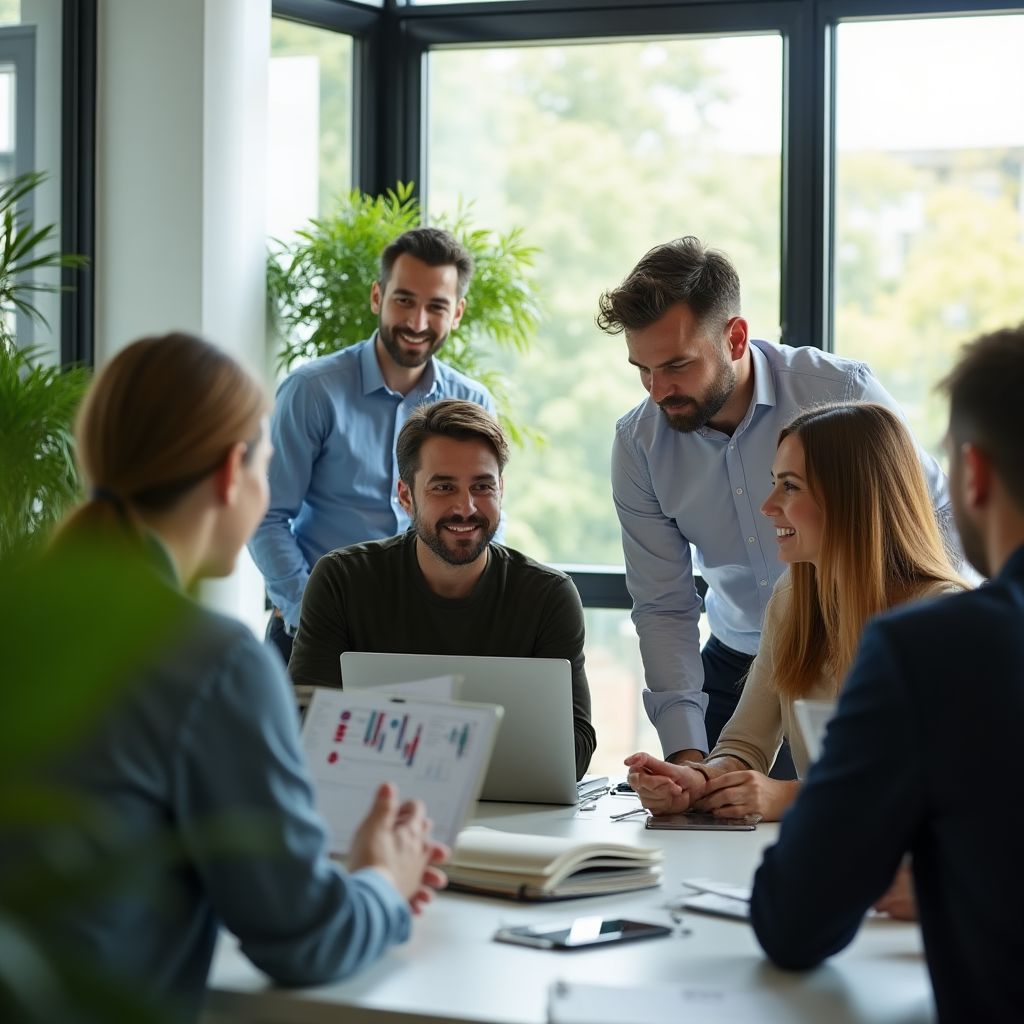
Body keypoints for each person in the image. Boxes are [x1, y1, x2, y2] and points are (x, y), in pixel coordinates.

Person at [32, 332, 449, 1020]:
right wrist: (385, 877)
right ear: (233, 473)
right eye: (266, 466)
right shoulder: (209, 659)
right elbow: (305, 936)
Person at [597, 236, 955, 775]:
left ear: (735, 337)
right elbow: (663, 604)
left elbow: (932, 513)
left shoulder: (840, 391)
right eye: (642, 370)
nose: (657, 391)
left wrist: (930, 627)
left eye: (676, 365)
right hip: (738, 658)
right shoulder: (639, 444)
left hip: (862, 645)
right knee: (715, 804)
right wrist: (688, 760)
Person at [749, 326, 1024, 1022]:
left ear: (973, 473)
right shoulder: (802, 602)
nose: (770, 507)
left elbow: (794, 919)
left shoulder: (935, 645)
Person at [624, 402, 963, 823]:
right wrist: (697, 782)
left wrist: (789, 798)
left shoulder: (945, 617)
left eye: (790, 486)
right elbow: (743, 747)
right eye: (774, 483)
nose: (767, 506)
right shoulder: (792, 599)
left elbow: (945, 782)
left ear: (851, 497)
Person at [289, 399, 597, 780]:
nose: (466, 507)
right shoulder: (341, 581)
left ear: (501, 489)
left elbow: (576, 749)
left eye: (482, 486)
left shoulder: (548, 596)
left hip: (514, 811)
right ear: (406, 496)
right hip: (375, 801)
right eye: (444, 487)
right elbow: (305, 725)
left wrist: (407, 744)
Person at [249, 227, 497, 665]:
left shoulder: (471, 401)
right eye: (404, 300)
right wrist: (310, 612)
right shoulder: (312, 391)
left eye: (436, 306)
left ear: (457, 313)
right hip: (314, 632)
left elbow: (485, 514)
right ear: (377, 296)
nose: (417, 322)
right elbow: (265, 515)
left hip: (428, 636)